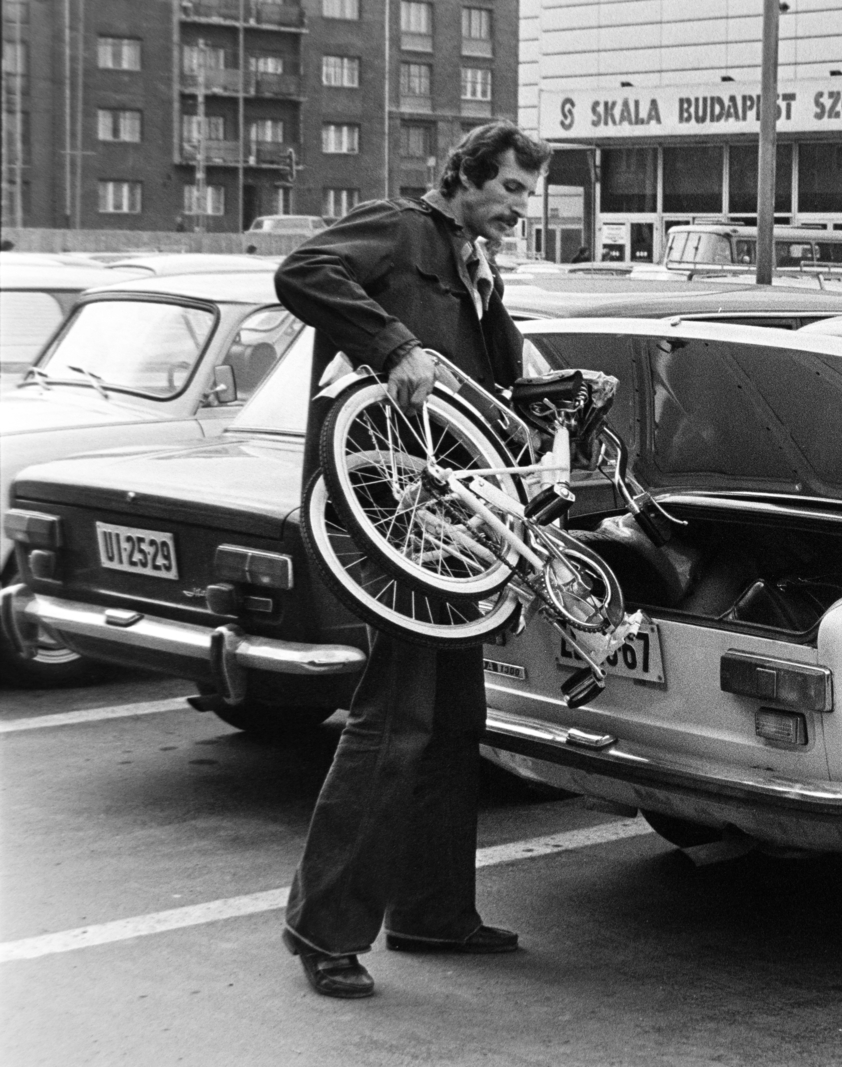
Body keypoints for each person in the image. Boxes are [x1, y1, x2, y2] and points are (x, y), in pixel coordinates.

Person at [273, 120, 552, 999]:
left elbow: (499, 374)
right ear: (465, 175)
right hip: (390, 525)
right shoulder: (396, 230)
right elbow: (300, 272)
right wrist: (392, 345)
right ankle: (323, 929)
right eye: (510, 188)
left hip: (453, 528)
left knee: (454, 719)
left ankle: (434, 914)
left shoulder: (471, 263)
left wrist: (556, 394)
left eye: (527, 193)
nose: (520, 206)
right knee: (396, 720)